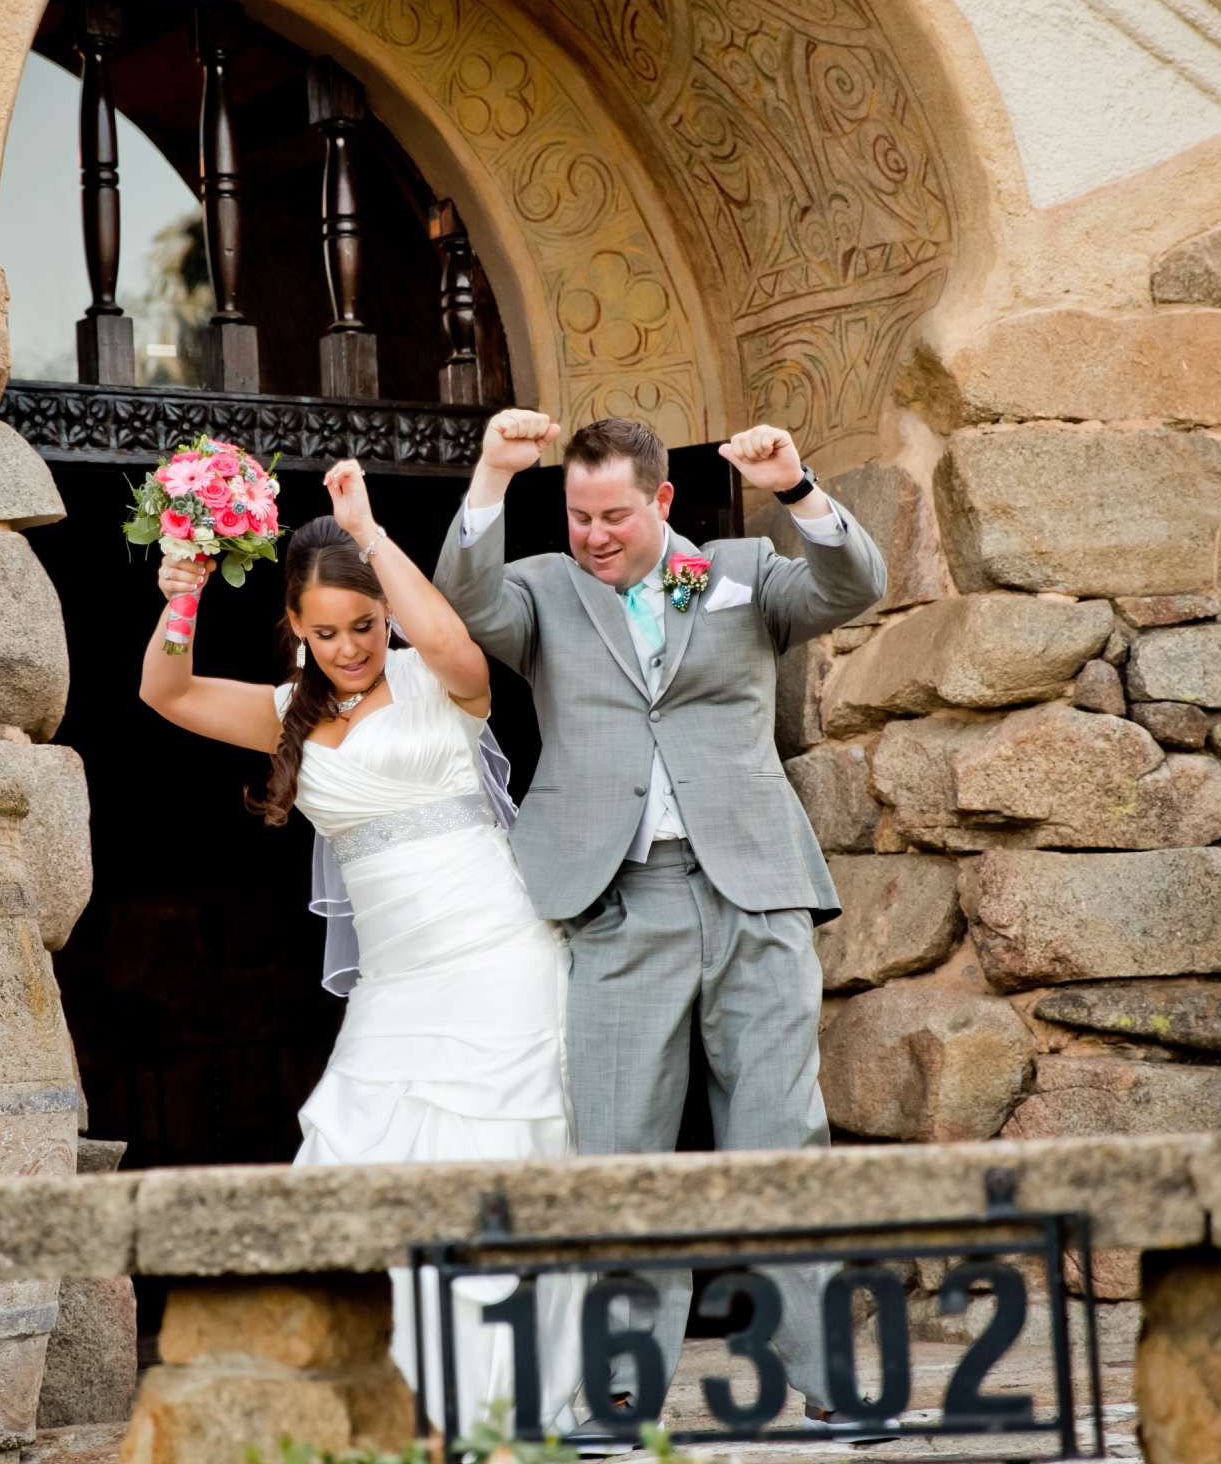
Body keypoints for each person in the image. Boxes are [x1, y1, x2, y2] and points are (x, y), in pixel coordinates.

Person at [433, 410, 887, 1427]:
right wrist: (495, 479)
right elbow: (460, 599)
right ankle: (623, 1387)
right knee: (621, 1144)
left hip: (755, 889)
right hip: (618, 899)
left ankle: (825, 1379)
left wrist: (797, 488)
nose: (592, 533)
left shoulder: (738, 570)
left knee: (783, 1135)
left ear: (662, 501)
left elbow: (856, 584)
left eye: (613, 515)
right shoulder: (544, 591)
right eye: (577, 513)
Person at [137, 459, 583, 1436]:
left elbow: (462, 648)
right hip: (397, 981)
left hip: (499, 953)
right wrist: (187, 588)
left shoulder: (439, 683)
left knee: (494, 1161)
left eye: (365, 626)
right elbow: (165, 693)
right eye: (327, 630)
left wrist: (370, 532)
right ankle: (380, 1403)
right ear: (295, 625)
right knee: (357, 1162)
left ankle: (502, 1405)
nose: (350, 647)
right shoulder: (285, 711)